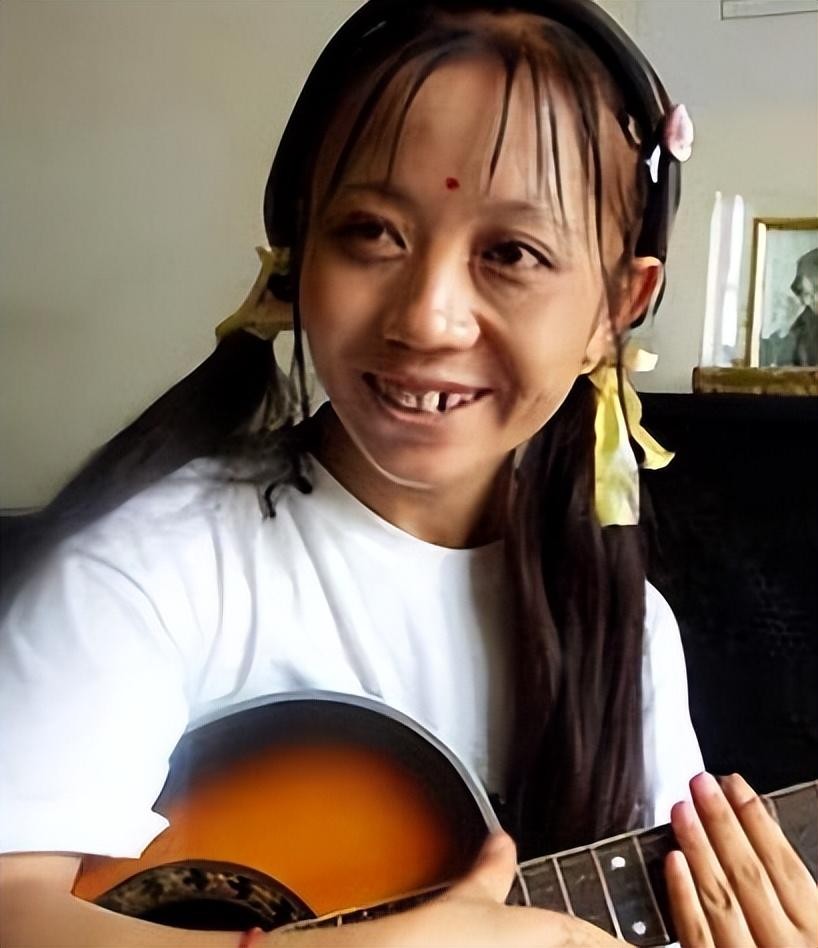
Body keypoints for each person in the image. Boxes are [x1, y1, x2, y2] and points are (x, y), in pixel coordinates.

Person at [1, 1, 815, 946]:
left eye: (511, 253)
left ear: (617, 308)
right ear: (295, 255)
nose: (428, 316)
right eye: (371, 233)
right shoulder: (149, 571)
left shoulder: (628, 630)